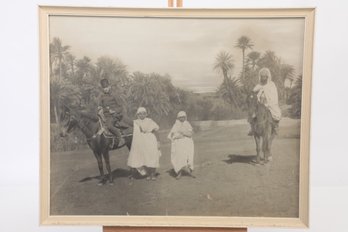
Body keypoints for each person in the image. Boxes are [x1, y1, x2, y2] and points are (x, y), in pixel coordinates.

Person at [127, 107, 161, 180]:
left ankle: (153, 174)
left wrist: (158, 142)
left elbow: (156, 131)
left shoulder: (150, 121)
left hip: (151, 140)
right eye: (140, 114)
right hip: (141, 141)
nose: (142, 115)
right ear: (137, 115)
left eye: (143, 114)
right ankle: (148, 174)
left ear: (146, 114)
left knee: (152, 156)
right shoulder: (135, 122)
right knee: (145, 158)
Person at [248, 67, 281, 136]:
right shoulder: (258, 86)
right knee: (252, 114)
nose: (263, 78)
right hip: (259, 104)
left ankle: (275, 127)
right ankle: (252, 129)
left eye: (265, 77)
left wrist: (268, 102)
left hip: (269, 104)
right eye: (262, 77)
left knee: (275, 113)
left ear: (267, 77)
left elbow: (274, 96)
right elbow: (253, 94)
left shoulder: (271, 85)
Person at [168, 111, 195, 179]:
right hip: (179, 143)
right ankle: (179, 173)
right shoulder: (176, 125)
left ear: (185, 117)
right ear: (178, 118)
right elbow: (172, 135)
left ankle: (189, 171)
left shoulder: (187, 124)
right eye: (180, 117)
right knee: (179, 157)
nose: (182, 118)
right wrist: (178, 136)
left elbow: (190, 134)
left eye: (183, 117)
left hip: (188, 143)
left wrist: (183, 133)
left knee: (189, 156)